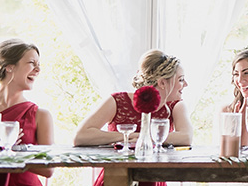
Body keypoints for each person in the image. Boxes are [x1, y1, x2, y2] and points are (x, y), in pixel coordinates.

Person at [74, 49, 193, 186]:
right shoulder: (117, 101)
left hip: (153, 179)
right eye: (181, 79)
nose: (185, 84)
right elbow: (80, 136)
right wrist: (125, 137)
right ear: (162, 83)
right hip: (115, 178)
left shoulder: (176, 106)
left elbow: (186, 137)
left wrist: (144, 137)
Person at [0, 39, 54, 186]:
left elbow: (49, 170)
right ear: (9, 67)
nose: (38, 70)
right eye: (32, 63)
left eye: (39, 65)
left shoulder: (41, 115)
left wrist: (13, 151)